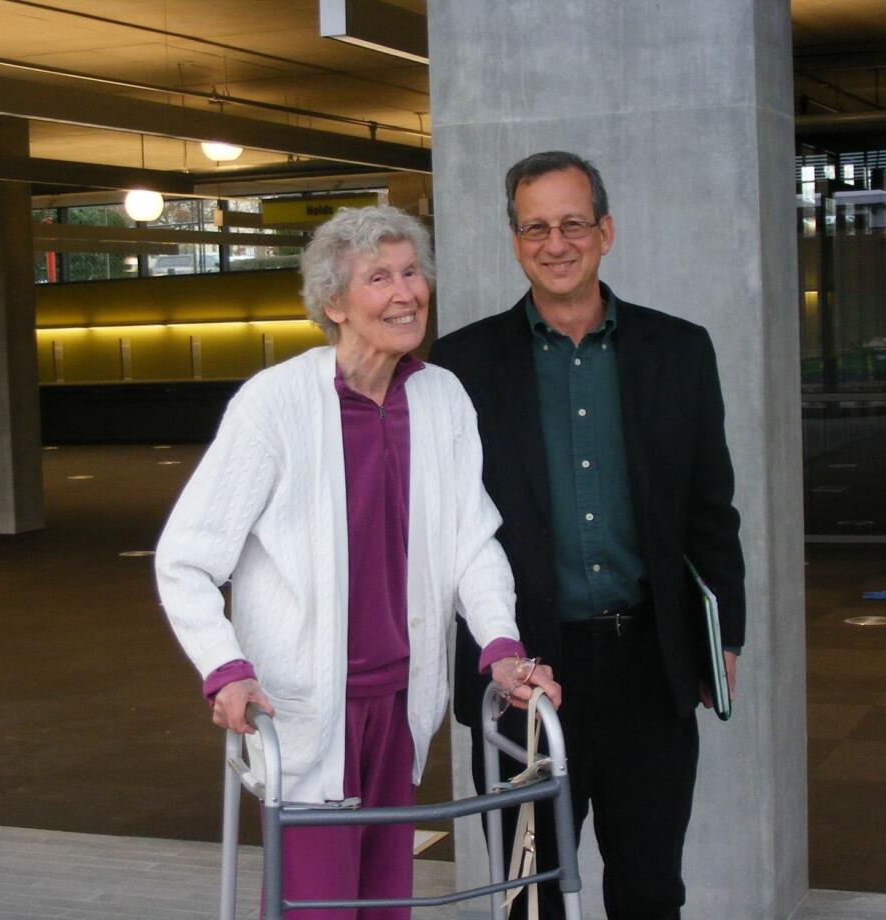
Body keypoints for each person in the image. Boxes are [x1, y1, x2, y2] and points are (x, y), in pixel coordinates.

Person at [154, 204, 560, 919]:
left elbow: (473, 542)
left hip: (402, 704)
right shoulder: (274, 405)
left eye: (412, 273)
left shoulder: (442, 398)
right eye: (380, 277)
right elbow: (186, 558)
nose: (406, 293)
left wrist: (499, 641)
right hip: (305, 709)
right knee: (319, 909)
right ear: (335, 304)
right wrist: (225, 665)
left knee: (384, 906)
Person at [429, 151, 746, 920]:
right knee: (529, 897)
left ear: (605, 232)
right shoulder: (460, 365)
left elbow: (711, 508)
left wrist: (722, 637)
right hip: (526, 678)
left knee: (649, 888)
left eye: (573, 223)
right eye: (535, 226)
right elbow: (449, 528)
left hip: (649, 667)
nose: (555, 242)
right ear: (514, 242)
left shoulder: (679, 350)